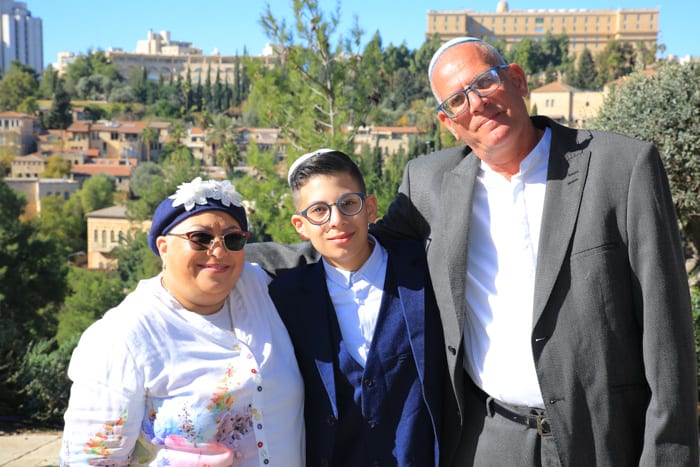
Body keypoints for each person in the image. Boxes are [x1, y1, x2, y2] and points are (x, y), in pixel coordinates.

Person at [247, 37, 699, 466]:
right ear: (449, 123)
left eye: (485, 82)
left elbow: (668, 335)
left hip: (603, 437)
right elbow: (355, 240)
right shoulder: (429, 184)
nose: (476, 103)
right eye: (457, 100)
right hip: (488, 441)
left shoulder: (621, 167)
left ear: (517, 80)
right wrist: (232, 258)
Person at [60, 177, 304, 467]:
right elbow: (91, 459)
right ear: (163, 247)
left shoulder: (261, 289)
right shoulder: (122, 337)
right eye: (200, 238)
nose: (218, 251)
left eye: (233, 239)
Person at [264, 149, 446, 466]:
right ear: (300, 225)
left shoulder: (426, 270)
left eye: (348, 204)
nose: (337, 220)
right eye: (318, 211)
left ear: (370, 208)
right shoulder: (286, 297)